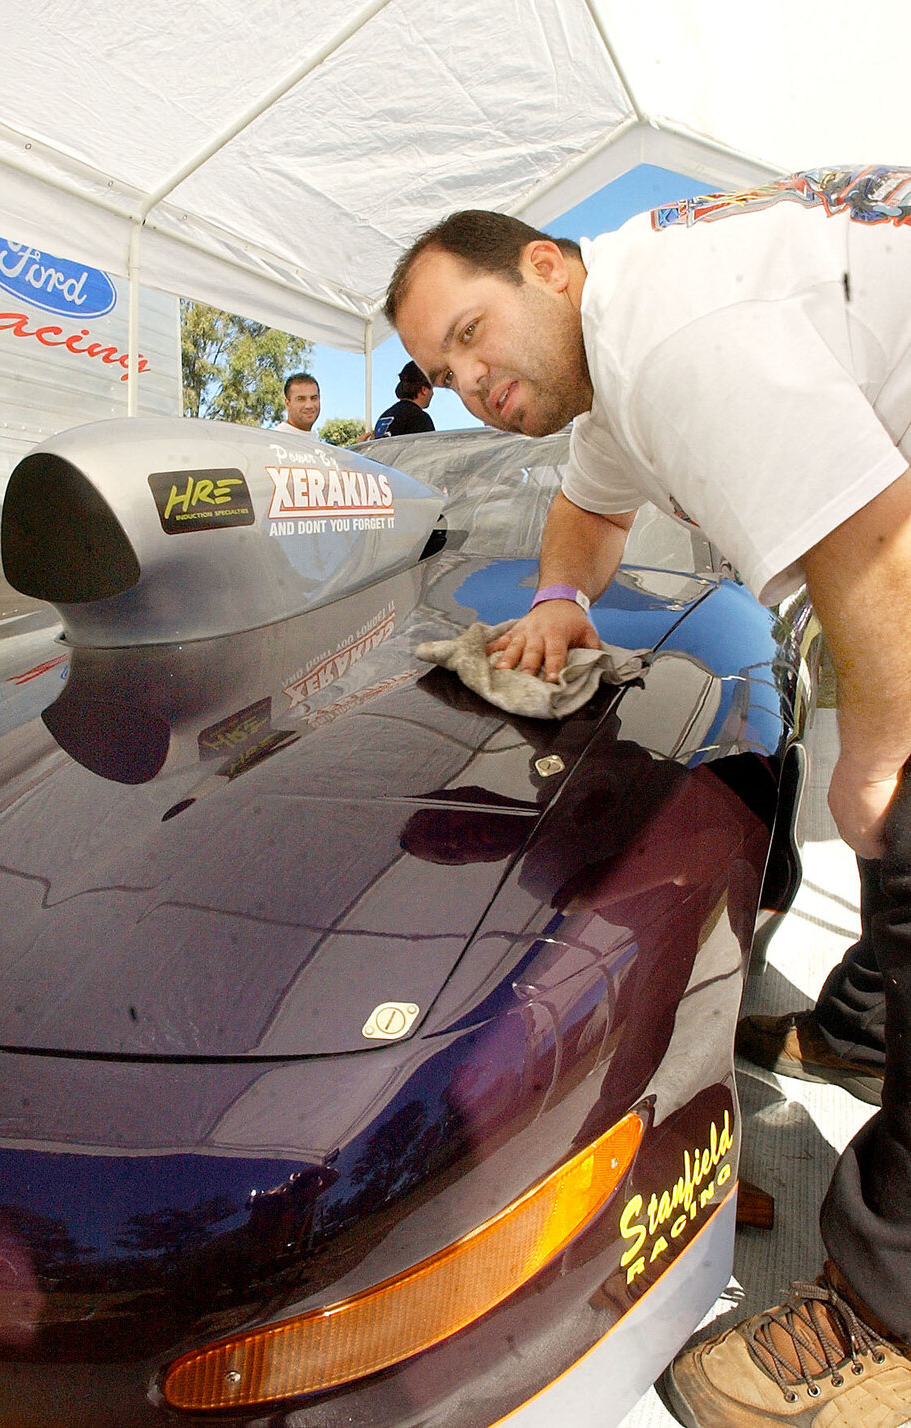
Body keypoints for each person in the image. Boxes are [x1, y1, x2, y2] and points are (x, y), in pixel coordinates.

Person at [385, 167, 911, 1426]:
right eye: (446, 376)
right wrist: (560, 597)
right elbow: (586, 500)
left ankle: (884, 1321)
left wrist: (880, 752)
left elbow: (876, 542)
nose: (474, 381)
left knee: (901, 829)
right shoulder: (620, 351)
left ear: (549, 268)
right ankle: (860, 1025)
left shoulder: (672, 333)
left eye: (474, 334)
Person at [373, 359, 435, 438]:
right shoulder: (419, 418)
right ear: (424, 390)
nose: (433, 393)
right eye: (432, 388)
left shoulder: (385, 416)